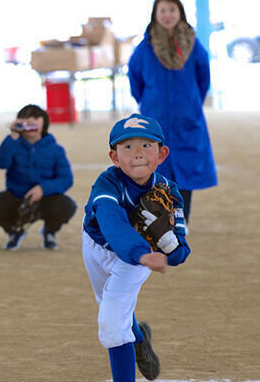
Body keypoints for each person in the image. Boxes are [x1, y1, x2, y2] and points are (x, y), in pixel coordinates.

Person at [82, 113, 191, 382]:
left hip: (138, 258)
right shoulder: (107, 185)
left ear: (162, 154)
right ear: (115, 157)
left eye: (147, 145)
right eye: (128, 147)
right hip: (100, 245)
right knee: (106, 302)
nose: (138, 153)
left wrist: (164, 242)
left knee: (112, 322)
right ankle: (139, 338)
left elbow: (180, 252)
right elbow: (112, 222)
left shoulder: (169, 191)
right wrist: (139, 251)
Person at [128, 0, 217, 223]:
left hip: (187, 120)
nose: (168, 15)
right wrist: (150, 105)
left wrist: (190, 103)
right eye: (163, 10)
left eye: (172, 10)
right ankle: (159, 223)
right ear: (155, 15)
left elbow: (203, 79)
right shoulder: (145, 48)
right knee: (156, 171)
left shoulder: (193, 44)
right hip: (155, 121)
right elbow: (135, 81)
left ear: (180, 13)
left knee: (185, 174)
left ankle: (180, 222)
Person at [0, 104, 76, 251]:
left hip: (46, 198)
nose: (31, 121)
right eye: (25, 118)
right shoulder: (13, 143)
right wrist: (12, 138)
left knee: (67, 205)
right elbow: (0, 163)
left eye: (36, 118)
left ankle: (49, 231)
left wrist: (43, 189)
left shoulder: (56, 149)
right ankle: (15, 230)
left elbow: (66, 179)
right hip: (17, 197)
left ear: (44, 122)